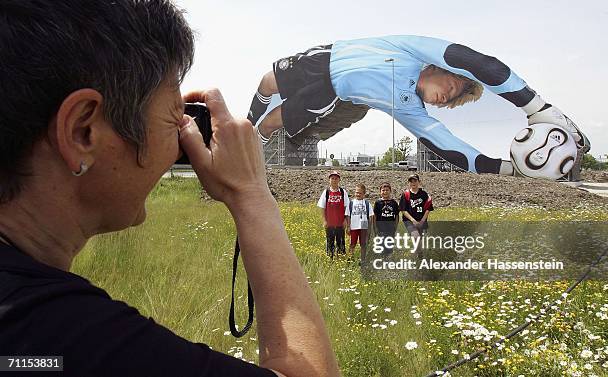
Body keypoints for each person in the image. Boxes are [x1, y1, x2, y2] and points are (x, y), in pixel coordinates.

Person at [0, 1, 340, 376]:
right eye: (172, 120)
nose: (182, 141)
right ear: (83, 131)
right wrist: (251, 194)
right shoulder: (62, 336)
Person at [247, 35, 590, 180]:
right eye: (452, 88)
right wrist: (536, 108)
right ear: (441, 70)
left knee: (275, 122)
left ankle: (248, 144)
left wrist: (509, 169)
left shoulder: (411, 109)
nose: (446, 99)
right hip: (328, 58)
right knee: (268, 81)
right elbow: (478, 62)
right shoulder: (415, 51)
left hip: (332, 93)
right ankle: (245, 121)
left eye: (452, 101)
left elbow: (450, 148)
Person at [316, 171, 349, 259]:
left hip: (340, 223)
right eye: (332, 178)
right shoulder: (326, 192)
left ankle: (341, 258)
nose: (334, 180)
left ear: (339, 180)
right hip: (329, 223)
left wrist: (345, 220)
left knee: (341, 242)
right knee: (330, 242)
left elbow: (346, 207)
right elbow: (322, 207)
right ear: (329, 180)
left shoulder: (343, 192)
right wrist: (324, 221)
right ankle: (330, 259)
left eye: (336, 178)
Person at [399, 174, 434, 241]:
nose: (413, 183)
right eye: (411, 181)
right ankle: (417, 250)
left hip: (421, 220)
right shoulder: (405, 194)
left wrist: (422, 221)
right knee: (416, 236)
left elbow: (428, 208)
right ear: (408, 183)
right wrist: (413, 220)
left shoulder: (424, 194)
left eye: (415, 181)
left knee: (419, 240)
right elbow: (403, 210)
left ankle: (418, 251)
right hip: (409, 221)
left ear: (419, 182)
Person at [345, 184, 374, 261]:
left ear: (364, 194)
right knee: (352, 244)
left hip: (364, 226)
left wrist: (369, 229)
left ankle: (363, 259)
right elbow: (347, 215)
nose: (358, 194)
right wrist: (348, 227)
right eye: (356, 192)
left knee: (363, 245)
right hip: (353, 226)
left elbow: (371, 216)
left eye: (360, 193)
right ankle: (350, 259)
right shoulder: (351, 203)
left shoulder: (367, 203)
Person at [373, 183, 400, 256]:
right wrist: (375, 227)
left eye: (387, 190)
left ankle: (389, 258)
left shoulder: (394, 203)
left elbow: (397, 215)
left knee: (389, 243)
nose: (385, 192)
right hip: (381, 227)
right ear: (380, 192)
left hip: (391, 227)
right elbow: (375, 216)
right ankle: (382, 258)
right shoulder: (378, 202)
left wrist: (396, 226)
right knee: (381, 243)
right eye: (383, 190)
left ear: (390, 191)